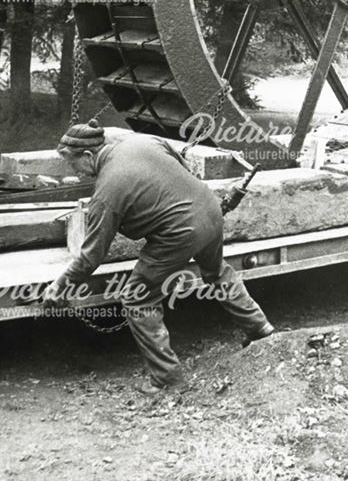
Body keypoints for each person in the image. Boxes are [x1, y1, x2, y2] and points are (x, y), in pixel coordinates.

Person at [42, 119, 274, 395]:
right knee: (217, 273)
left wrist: (60, 284)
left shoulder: (107, 190)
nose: (75, 173)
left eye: (73, 164)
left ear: (89, 155)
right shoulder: (144, 140)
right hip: (209, 209)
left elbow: (92, 256)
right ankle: (261, 329)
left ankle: (167, 379)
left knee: (138, 298)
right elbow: (183, 170)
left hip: (179, 232)